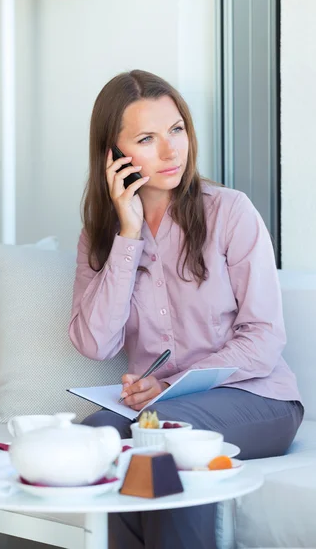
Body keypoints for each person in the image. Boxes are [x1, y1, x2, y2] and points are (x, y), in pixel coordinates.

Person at [68, 69, 303, 549]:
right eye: (147, 139)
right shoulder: (101, 237)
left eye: (177, 130)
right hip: (160, 407)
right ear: (113, 156)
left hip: (260, 402)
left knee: (167, 438)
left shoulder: (230, 212)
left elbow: (264, 337)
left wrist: (168, 385)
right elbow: (94, 344)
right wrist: (128, 237)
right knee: (95, 438)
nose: (172, 151)